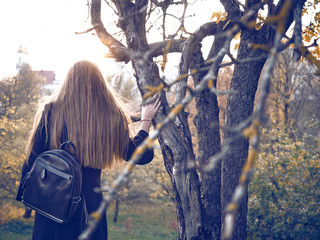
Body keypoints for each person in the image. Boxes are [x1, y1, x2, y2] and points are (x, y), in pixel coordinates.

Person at [16, 60, 161, 240]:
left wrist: (25, 194)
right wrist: (146, 121)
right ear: (100, 84)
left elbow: (33, 159)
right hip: (90, 207)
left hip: (52, 204)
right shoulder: (109, 116)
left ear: (68, 81)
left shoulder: (51, 111)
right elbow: (140, 155)